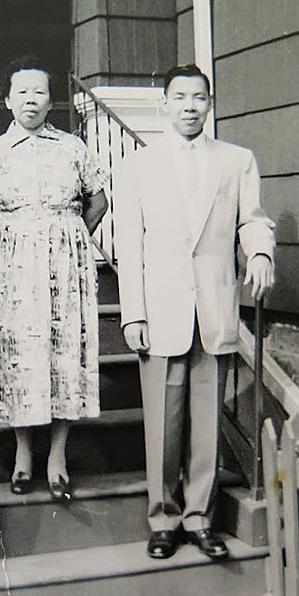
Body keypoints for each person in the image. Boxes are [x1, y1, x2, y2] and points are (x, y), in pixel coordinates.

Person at [115, 64, 275, 562]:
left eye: (198, 97)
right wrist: (133, 313)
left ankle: (200, 518)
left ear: (210, 103)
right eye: (180, 97)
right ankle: (163, 518)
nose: (189, 106)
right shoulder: (138, 165)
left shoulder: (236, 161)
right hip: (160, 310)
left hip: (212, 307)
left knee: (206, 422)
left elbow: (252, 220)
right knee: (164, 425)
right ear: (164, 104)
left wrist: (261, 252)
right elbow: (129, 245)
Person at [0, 55, 109, 501]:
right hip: (14, 271)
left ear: (50, 100)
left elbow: (98, 202)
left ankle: (57, 457)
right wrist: (12, 240)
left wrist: (70, 238)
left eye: (39, 91)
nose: (30, 99)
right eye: (21, 92)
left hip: (66, 268)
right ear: (7, 101)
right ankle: (23, 455)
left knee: (63, 355)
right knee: (21, 356)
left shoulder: (73, 148)